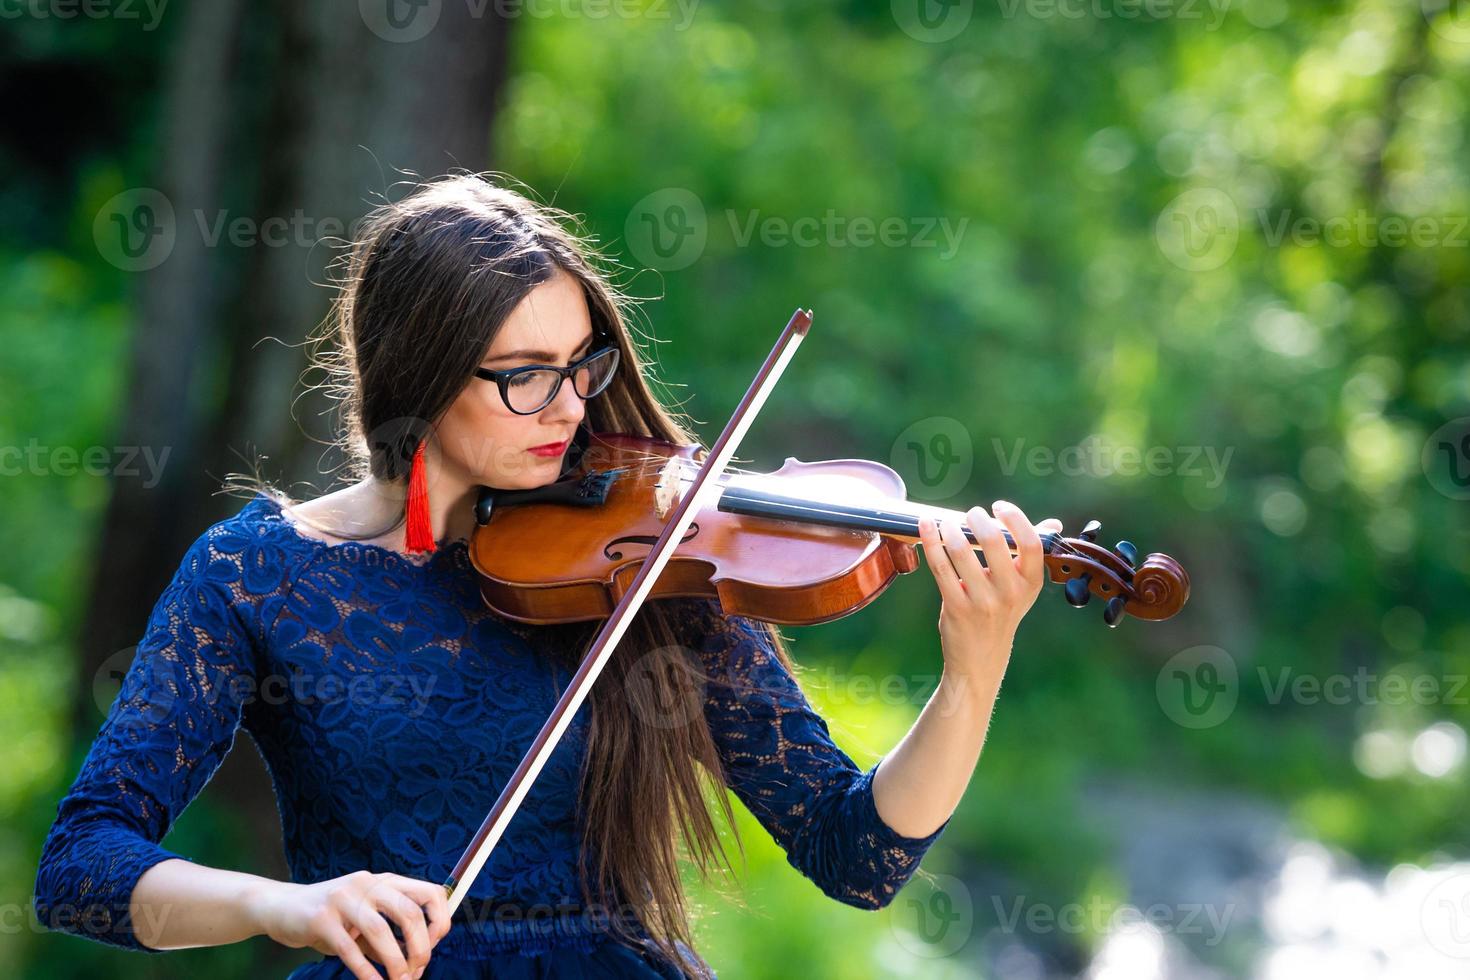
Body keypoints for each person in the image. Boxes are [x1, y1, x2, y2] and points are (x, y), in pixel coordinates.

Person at [32, 173, 1061, 980]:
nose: (569, 407)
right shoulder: (255, 576)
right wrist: (285, 904)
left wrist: (971, 674)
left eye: (583, 365)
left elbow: (856, 852)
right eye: (525, 375)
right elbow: (81, 865)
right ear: (417, 369)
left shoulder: (650, 556)